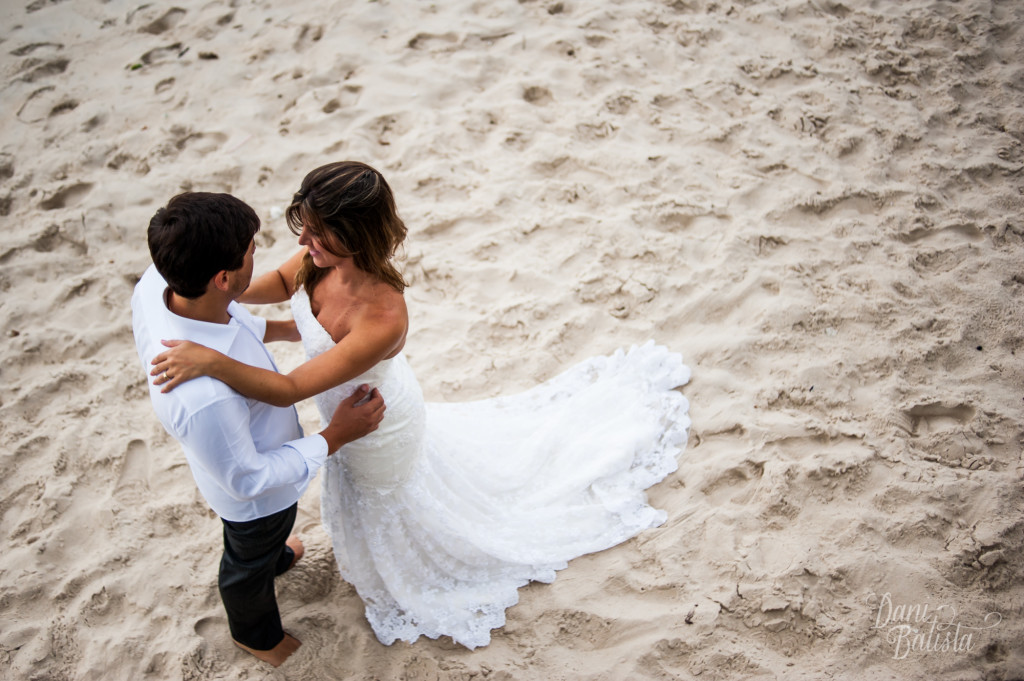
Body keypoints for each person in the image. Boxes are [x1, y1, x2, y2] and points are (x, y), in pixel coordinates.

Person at [149, 162, 692, 649]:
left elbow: (291, 389)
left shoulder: (383, 316)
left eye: (318, 232)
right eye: (304, 227)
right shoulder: (319, 258)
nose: (305, 241)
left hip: (373, 423)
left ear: (356, 235)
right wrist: (211, 290)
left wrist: (212, 360)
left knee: (391, 500)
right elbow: (272, 287)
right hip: (340, 413)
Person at [131, 191, 386, 667]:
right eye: (251, 249)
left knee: (273, 541)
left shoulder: (160, 282)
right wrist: (336, 436)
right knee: (247, 560)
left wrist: (286, 329)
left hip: (260, 454)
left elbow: (231, 318)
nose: (257, 252)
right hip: (256, 497)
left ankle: (275, 558)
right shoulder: (203, 397)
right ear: (224, 277)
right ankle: (253, 633)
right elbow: (248, 480)